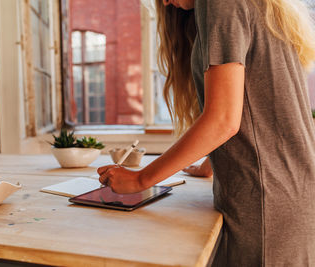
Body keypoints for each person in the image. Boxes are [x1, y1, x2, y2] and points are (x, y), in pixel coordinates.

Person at [98, 0, 315, 265]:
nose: (164, 2)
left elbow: (223, 119)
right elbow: (258, 102)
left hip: (265, 206)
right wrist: (212, 162)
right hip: (289, 197)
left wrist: (141, 180)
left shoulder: (220, 3)